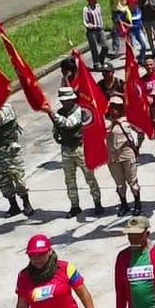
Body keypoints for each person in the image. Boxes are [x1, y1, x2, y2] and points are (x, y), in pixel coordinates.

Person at [44, 87, 103, 217]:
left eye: (66, 100)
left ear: (72, 99)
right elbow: (57, 127)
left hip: (80, 148)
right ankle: (74, 206)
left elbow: (68, 124)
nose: (64, 103)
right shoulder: (60, 112)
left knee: (90, 177)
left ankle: (97, 203)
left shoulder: (79, 111)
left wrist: (51, 112)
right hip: (66, 149)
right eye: (62, 101)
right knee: (69, 180)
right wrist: (57, 135)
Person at [0, 102, 34, 217]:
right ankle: (13, 206)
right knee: (3, 180)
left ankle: (26, 203)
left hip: (9, 151)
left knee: (18, 178)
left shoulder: (6, 108)